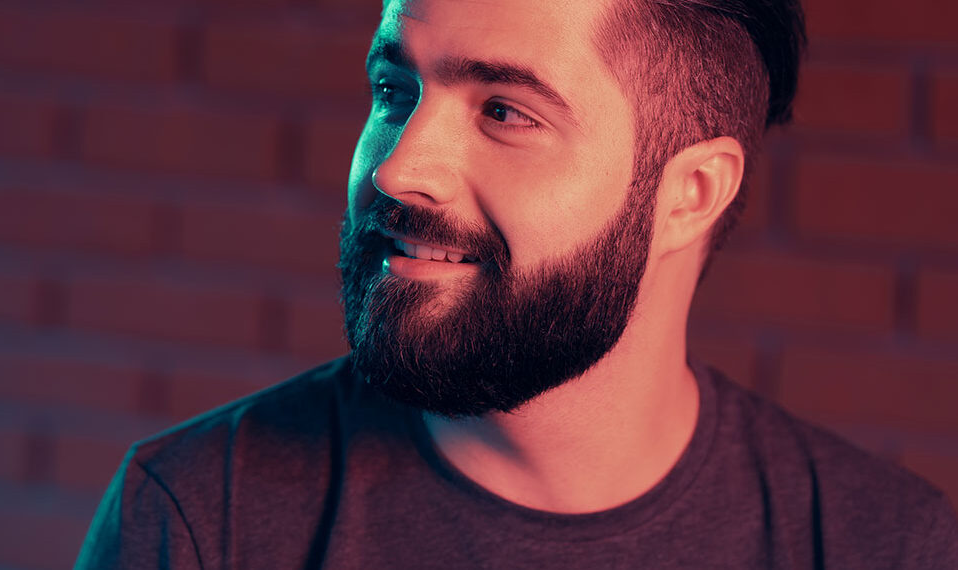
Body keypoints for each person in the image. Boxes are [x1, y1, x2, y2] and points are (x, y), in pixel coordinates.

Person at [75, 0, 958, 567]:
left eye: (505, 111)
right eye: (394, 91)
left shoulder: (883, 545)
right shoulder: (201, 516)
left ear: (690, 194)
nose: (397, 170)